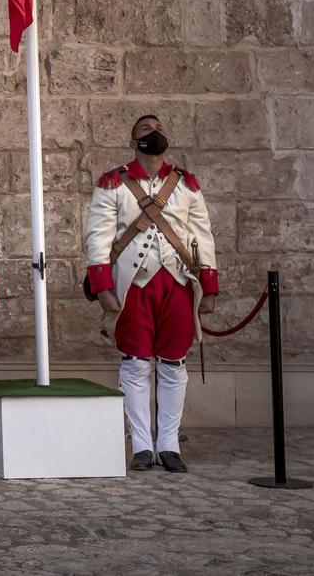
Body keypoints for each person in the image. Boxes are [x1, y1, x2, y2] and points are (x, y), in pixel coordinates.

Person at [84, 113, 218, 473]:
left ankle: (169, 443)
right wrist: (102, 288)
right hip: (132, 286)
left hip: (176, 284)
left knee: (173, 364)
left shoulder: (186, 184)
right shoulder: (112, 183)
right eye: (145, 129)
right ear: (133, 142)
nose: (153, 133)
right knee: (136, 364)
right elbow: (97, 237)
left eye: (158, 128)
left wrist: (209, 287)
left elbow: (202, 234)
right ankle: (142, 444)